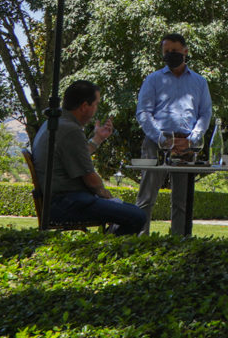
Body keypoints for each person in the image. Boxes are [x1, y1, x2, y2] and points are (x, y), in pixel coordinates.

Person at [32, 80, 148, 235]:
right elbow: (90, 179)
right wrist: (108, 197)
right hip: (67, 203)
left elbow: (77, 156)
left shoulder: (55, 123)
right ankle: (107, 252)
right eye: (96, 104)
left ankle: (106, 243)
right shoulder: (70, 130)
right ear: (84, 106)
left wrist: (97, 139)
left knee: (130, 211)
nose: (96, 109)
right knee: (137, 216)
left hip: (56, 202)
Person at [135, 33, 213, 232]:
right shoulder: (153, 80)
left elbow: (205, 113)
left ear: (185, 52)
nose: (170, 55)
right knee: (146, 197)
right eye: (166, 52)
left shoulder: (199, 82)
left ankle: (179, 242)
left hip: (186, 144)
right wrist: (162, 139)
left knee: (181, 200)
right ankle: (140, 241)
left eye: (174, 51)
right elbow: (143, 112)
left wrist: (193, 138)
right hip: (156, 142)